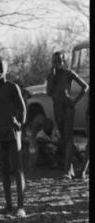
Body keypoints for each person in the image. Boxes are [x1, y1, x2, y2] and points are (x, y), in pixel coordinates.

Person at [0, 57, 27, 217]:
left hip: (12, 132)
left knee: (17, 169)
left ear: (6, 70)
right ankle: (8, 204)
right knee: (4, 170)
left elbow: (22, 107)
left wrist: (19, 123)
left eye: (0, 68)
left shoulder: (12, 87)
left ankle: (21, 206)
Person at [46, 51, 89, 179]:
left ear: (64, 61)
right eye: (54, 61)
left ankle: (67, 170)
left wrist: (74, 101)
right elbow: (48, 92)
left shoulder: (68, 73)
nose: (57, 64)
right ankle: (69, 167)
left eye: (59, 61)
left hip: (68, 108)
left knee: (68, 138)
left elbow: (85, 86)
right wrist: (52, 78)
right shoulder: (51, 76)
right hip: (57, 107)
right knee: (63, 138)